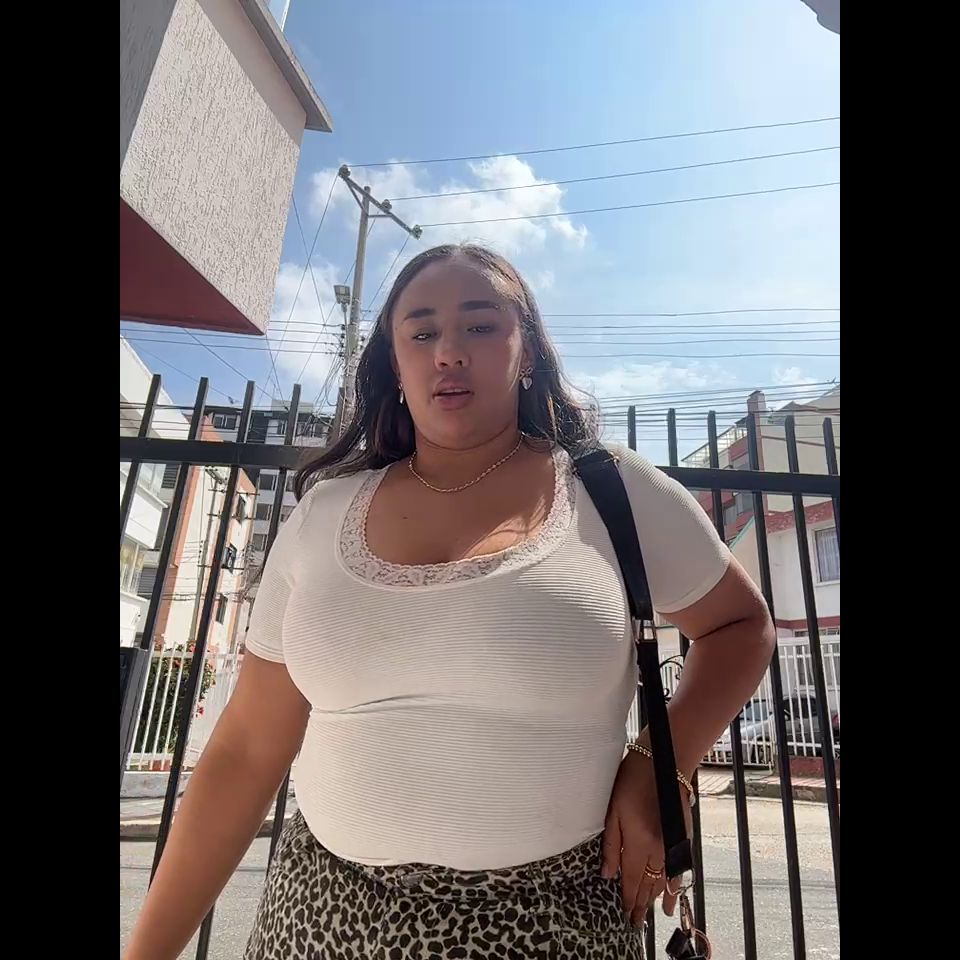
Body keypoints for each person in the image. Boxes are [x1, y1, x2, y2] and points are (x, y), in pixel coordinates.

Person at [126, 244, 775, 960]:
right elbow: (246, 749)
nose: (449, 352)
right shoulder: (321, 515)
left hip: (550, 927)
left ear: (528, 352)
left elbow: (741, 625)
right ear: (395, 364)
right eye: (423, 332)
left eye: (481, 325)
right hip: (316, 920)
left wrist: (661, 761)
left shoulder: (610, 489)